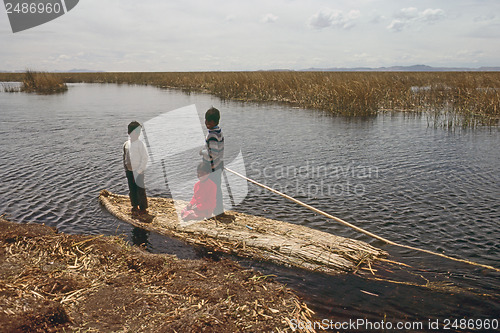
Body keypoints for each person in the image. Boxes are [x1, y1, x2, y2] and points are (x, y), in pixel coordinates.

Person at [200, 107, 224, 216]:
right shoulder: (218, 131)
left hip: (213, 167)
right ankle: (218, 210)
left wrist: (203, 153)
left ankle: (215, 211)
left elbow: (213, 154)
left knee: (211, 189)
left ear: (212, 122)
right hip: (219, 164)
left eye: (207, 121)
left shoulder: (212, 135)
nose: (205, 122)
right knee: (216, 188)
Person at [123, 121, 149, 215]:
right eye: (135, 132)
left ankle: (143, 208)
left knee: (140, 190)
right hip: (129, 171)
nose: (137, 134)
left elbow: (145, 158)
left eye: (139, 132)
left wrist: (139, 170)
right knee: (132, 189)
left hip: (138, 171)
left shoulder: (140, 144)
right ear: (129, 133)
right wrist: (126, 169)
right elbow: (125, 157)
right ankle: (135, 206)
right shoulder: (126, 144)